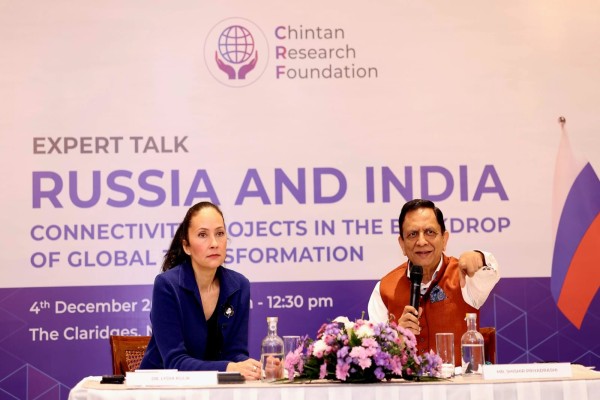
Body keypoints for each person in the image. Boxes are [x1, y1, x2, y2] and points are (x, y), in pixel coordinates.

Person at [367, 199, 500, 365]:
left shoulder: (465, 276)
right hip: (406, 381)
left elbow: (491, 273)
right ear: (402, 244)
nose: (421, 241)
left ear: (444, 239)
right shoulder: (385, 288)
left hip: (458, 381)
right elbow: (374, 355)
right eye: (412, 234)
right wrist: (397, 338)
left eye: (430, 232)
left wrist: (480, 257)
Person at [140, 201, 262, 379]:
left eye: (220, 233)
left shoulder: (240, 286)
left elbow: (235, 353)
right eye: (203, 235)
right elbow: (175, 362)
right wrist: (228, 368)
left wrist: (252, 367)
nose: (214, 243)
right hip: (161, 387)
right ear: (186, 246)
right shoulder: (167, 285)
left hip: (215, 388)